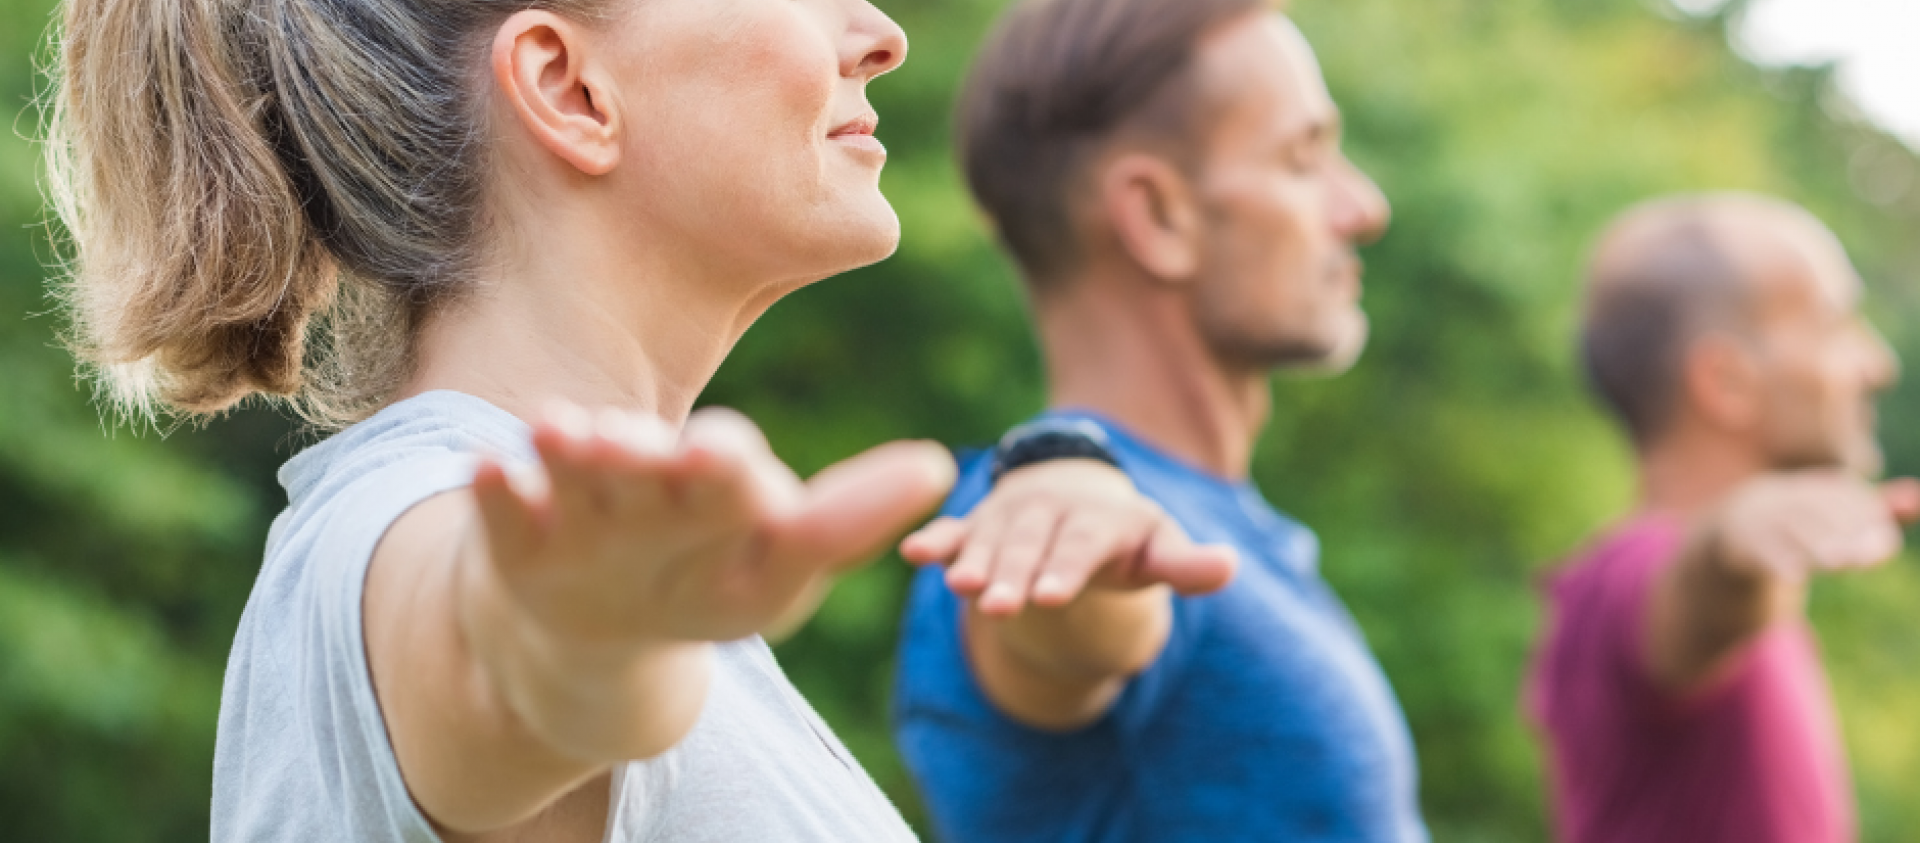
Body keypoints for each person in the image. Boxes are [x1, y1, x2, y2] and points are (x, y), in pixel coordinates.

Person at [47, 0, 998, 840]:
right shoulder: (408, 520)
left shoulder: (638, 586)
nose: (882, 37)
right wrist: (571, 640)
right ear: (568, 87)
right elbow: (484, 649)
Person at [889, 1, 1428, 840]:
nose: (1362, 206)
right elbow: (1071, 616)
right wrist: (1071, 504)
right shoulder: (1032, 531)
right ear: (1159, 216)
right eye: (1303, 157)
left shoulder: (1228, 531)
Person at [1526, 194, 1920, 843]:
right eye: (1835, 324)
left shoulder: (1753, 605)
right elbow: (1699, 582)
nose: (1877, 364)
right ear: (1727, 382)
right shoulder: (1623, 579)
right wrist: (1734, 533)